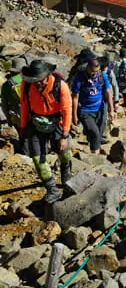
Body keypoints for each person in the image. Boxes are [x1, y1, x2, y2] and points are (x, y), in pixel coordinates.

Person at [19, 60, 73, 204]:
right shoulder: (26, 85)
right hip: (35, 123)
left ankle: (67, 180)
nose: (38, 83)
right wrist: (23, 127)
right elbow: (24, 105)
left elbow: (67, 110)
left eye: (41, 80)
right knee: (37, 158)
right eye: (35, 81)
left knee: (64, 153)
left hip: (57, 122)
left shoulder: (60, 85)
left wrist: (65, 135)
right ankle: (52, 189)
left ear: (47, 75)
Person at [71, 58, 114, 153]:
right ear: (88, 68)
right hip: (85, 110)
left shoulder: (102, 76)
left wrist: (111, 110)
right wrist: (74, 115)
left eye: (97, 71)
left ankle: (94, 150)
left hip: (100, 108)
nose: (95, 74)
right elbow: (75, 97)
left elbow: (108, 92)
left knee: (99, 132)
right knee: (95, 132)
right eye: (93, 72)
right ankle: (95, 154)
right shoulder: (79, 78)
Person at [1, 57, 27, 154]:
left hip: (17, 116)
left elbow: (4, 105)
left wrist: (8, 119)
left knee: (22, 136)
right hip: (33, 114)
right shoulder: (30, 80)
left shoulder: (6, 85)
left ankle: (25, 154)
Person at [99, 53, 120, 144]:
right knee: (102, 117)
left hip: (105, 98)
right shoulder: (100, 72)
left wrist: (116, 100)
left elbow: (115, 86)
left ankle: (101, 135)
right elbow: (115, 86)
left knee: (104, 117)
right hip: (100, 97)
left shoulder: (108, 72)